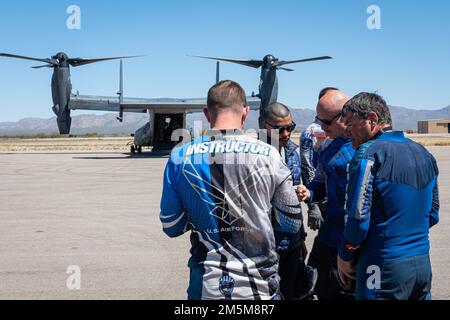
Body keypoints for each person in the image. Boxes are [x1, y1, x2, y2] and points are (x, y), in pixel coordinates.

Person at [160, 80, 304, 300]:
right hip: (260, 280)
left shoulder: (179, 156)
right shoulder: (270, 155)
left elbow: (171, 226)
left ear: (207, 113)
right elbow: (291, 223)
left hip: (205, 279)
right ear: (245, 113)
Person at [337, 92, 440, 300]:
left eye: (350, 124)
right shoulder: (424, 153)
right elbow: (433, 214)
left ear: (372, 120)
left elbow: (358, 220)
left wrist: (344, 254)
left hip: (383, 266)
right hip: (421, 265)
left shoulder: (369, 154)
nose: (346, 133)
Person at [297, 88, 355, 300]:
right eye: (318, 120)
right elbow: (320, 181)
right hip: (330, 233)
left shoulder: (369, 148)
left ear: (346, 117)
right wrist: (309, 193)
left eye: (327, 122)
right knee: (315, 284)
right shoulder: (328, 145)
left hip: (354, 240)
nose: (321, 127)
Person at [259, 102, 314, 300]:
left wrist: (300, 238)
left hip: (290, 243)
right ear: (264, 126)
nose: (286, 134)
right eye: (279, 129)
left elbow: (294, 205)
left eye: (290, 127)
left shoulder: (293, 152)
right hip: (263, 245)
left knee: (289, 294)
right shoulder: (252, 155)